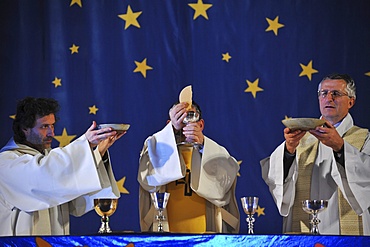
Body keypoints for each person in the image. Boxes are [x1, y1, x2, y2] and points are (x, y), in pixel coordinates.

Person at [260, 73, 370, 235]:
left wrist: (340, 147)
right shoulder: (301, 137)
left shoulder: (364, 138)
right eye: (324, 93)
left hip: (346, 230)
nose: (329, 98)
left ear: (351, 101)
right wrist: (289, 151)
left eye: (336, 93)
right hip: (304, 226)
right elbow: (273, 175)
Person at [0, 97, 125, 236]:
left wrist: (98, 152)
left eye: (52, 126)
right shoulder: (7, 162)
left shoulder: (51, 160)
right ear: (25, 129)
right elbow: (42, 177)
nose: (51, 133)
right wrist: (85, 144)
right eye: (44, 126)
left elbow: (75, 202)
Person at [138, 101, 240, 233]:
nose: (184, 123)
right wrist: (172, 130)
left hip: (205, 236)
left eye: (190, 116)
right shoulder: (157, 152)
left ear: (201, 124)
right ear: (169, 124)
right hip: (167, 235)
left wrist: (202, 142)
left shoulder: (214, 153)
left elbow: (226, 179)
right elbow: (147, 177)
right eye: (179, 117)